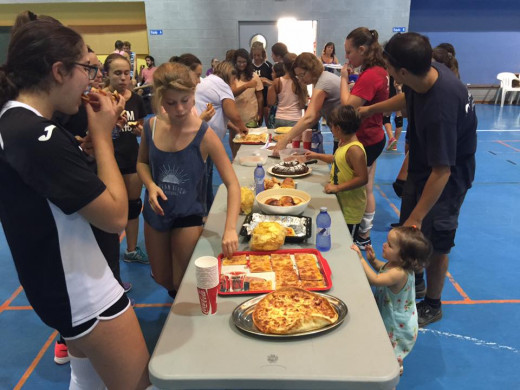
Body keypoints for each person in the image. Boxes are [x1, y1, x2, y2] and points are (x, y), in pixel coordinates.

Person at [0, 19, 150, 389]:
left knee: (86, 380)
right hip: (85, 290)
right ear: (59, 71)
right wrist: (102, 136)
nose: (91, 79)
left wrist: (78, 157)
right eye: (87, 68)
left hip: (54, 284)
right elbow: (116, 216)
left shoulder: (14, 121)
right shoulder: (38, 134)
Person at [358, 32, 477, 326]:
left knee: (434, 242)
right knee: (413, 230)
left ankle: (432, 304)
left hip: (447, 178)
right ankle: (416, 282)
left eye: (388, 67)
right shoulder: (428, 69)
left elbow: (443, 171)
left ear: (402, 71)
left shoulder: (441, 109)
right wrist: (370, 109)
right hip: (424, 166)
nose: (386, 72)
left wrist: (417, 216)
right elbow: (407, 99)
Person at [137, 62, 240, 297]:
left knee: (182, 280)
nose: (180, 109)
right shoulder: (151, 126)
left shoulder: (205, 135)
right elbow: (141, 163)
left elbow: (233, 184)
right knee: (163, 278)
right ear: (161, 100)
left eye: (185, 100)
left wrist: (230, 228)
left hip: (187, 214)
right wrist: (150, 185)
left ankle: (180, 321)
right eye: (171, 103)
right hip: (156, 213)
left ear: (193, 95)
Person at [351, 226, 432, 374]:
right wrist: (373, 260)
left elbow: (376, 279)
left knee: (391, 350)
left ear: (402, 257)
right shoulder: (395, 265)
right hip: (393, 312)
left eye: (389, 245)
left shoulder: (399, 273)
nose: (384, 244)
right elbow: (381, 269)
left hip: (396, 322)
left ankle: (393, 370)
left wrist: (361, 259)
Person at [339, 27, 389, 250]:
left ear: (362, 49)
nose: (347, 58)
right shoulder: (379, 70)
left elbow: (347, 108)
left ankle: (362, 233)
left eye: (349, 53)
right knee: (367, 186)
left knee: (360, 188)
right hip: (374, 135)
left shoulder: (370, 75)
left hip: (367, 139)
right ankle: (364, 233)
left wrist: (343, 79)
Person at [104, 53, 149, 264]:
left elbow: (139, 125)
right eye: (117, 73)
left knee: (133, 205)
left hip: (131, 157)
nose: (123, 78)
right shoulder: (100, 99)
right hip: (107, 161)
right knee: (110, 211)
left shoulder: (137, 99)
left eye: (127, 73)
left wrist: (139, 130)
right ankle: (109, 255)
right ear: (107, 75)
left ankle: (131, 250)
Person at [305, 105, 368, 236]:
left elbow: (362, 178)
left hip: (351, 208)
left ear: (338, 128)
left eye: (331, 127)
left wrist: (338, 188)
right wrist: (316, 155)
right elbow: (337, 159)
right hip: (342, 202)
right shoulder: (344, 143)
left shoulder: (354, 150)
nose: (331, 130)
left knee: (348, 239)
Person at [195, 61, 248, 210]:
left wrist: (232, 127)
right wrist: (243, 128)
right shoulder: (222, 85)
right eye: (233, 80)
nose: (234, 84)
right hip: (205, 139)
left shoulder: (210, 81)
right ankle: (203, 211)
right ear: (229, 76)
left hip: (205, 136)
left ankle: (206, 207)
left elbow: (219, 112)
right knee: (204, 177)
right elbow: (232, 113)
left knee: (206, 175)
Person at [272, 52, 341, 155]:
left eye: (302, 75)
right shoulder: (322, 80)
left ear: (312, 69)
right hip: (341, 134)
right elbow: (316, 114)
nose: (300, 80)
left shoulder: (323, 83)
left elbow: (309, 117)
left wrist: (285, 139)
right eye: (298, 76)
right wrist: (296, 134)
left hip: (347, 135)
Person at [267, 53, 307, 143]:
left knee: (280, 143)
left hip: (280, 118)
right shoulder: (300, 82)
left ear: (284, 66)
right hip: (295, 118)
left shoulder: (277, 81)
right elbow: (302, 105)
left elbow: (271, 102)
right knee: (293, 146)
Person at [232, 48, 264, 128]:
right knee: (236, 139)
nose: (241, 64)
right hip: (236, 115)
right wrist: (246, 86)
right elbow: (233, 93)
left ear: (248, 62)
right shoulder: (232, 76)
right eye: (239, 62)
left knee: (252, 138)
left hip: (252, 115)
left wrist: (260, 113)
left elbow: (260, 97)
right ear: (235, 62)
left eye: (244, 62)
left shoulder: (254, 76)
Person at [251, 41, 273, 126]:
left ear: (263, 54)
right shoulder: (249, 66)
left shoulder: (268, 66)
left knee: (268, 123)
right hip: (254, 98)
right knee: (256, 123)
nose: (256, 58)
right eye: (254, 55)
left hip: (266, 97)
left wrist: (266, 81)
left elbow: (274, 83)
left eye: (259, 55)